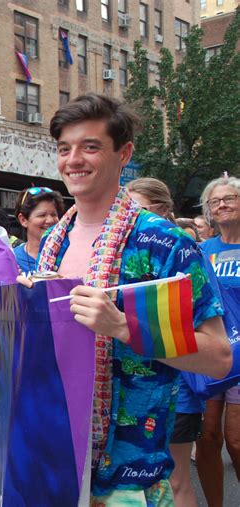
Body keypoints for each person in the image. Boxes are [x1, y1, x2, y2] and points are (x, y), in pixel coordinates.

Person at [34, 94, 231, 505]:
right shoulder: (53, 241)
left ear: (124, 154)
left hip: (129, 477)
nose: (74, 160)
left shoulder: (164, 243)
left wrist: (123, 327)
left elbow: (217, 357)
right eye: (64, 149)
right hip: (53, 456)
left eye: (90, 146)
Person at [127, 177, 203, 506]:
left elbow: (206, 335)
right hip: (132, 393)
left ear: (161, 209)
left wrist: (124, 327)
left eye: (137, 209)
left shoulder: (180, 250)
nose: (129, 218)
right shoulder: (120, 252)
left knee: (174, 478)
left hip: (178, 383)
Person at [195, 175, 240, 507]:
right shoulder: (201, 250)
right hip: (210, 352)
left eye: (230, 198)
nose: (222, 205)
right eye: (215, 201)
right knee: (207, 437)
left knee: (236, 441)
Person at [13, 187, 64, 274]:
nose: (50, 220)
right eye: (42, 215)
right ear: (23, 220)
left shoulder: (67, 255)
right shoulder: (12, 259)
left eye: (54, 214)